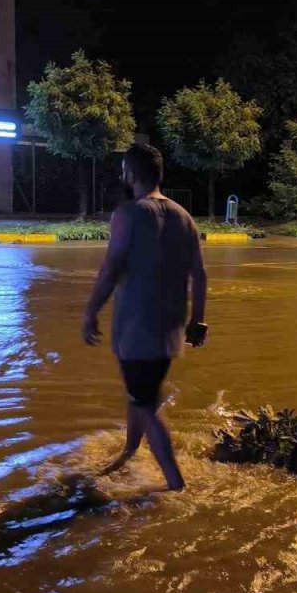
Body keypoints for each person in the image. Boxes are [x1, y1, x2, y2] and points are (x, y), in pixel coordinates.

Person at [82, 143, 208, 490]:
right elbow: (199, 275)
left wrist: (90, 311)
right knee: (140, 394)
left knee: (146, 403)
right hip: (170, 331)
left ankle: (175, 485)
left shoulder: (129, 213)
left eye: (124, 169)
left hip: (137, 330)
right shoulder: (184, 217)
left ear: (132, 174)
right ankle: (130, 450)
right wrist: (197, 321)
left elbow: (111, 269)